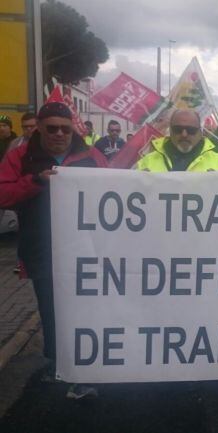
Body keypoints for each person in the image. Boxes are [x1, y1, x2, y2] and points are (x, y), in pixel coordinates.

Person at [0, 102, 108, 399]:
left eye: (65, 128)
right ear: (39, 128)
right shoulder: (20, 156)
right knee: (51, 310)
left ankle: (86, 368)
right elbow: (3, 193)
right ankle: (59, 364)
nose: (59, 134)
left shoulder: (90, 155)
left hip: (87, 251)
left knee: (86, 310)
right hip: (41, 250)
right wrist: (35, 181)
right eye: (52, 128)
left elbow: (113, 188)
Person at [136, 109, 218, 172]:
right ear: (170, 131)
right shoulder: (147, 163)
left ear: (200, 133)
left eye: (191, 130)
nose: (184, 134)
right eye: (178, 129)